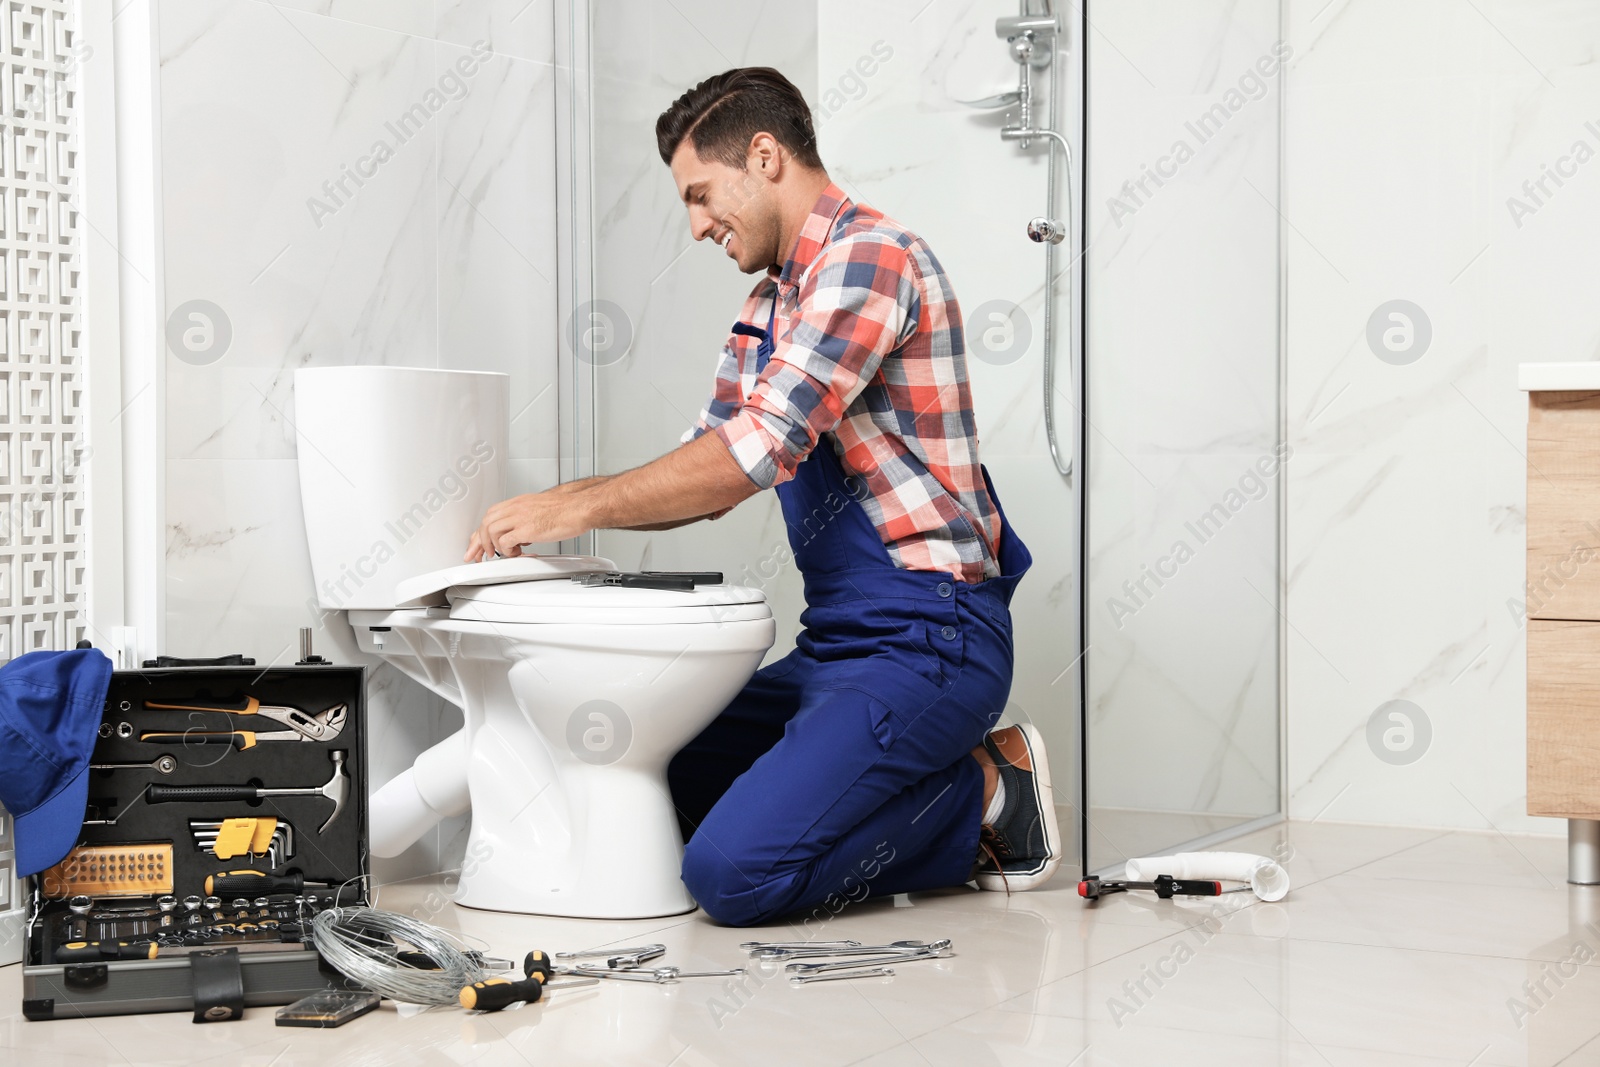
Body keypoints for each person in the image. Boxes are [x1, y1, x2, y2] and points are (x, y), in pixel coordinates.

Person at [465, 67, 1060, 926]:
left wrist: (570, 509)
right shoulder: (768, 305)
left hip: (931, 637)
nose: (699, 225)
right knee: (654, 779)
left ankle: (985, 796)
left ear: (765, 155)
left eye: (702, 195)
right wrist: (563, 505)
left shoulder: (870, 259)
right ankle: (871, 778)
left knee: (730, 875)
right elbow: (701, 470)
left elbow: (752, 451)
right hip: (840, 644)